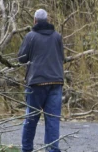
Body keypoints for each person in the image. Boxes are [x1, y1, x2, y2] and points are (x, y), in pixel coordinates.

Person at [18, 9, 64, 152]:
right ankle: (52, 150)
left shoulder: (30, 36)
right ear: (47, 19)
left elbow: (21, 58)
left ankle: (26, 149)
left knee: (31, 120)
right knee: (52, 120)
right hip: (56, 82)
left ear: (35, 20)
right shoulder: (57, 36)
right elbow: (62, 57)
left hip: (36, 83)